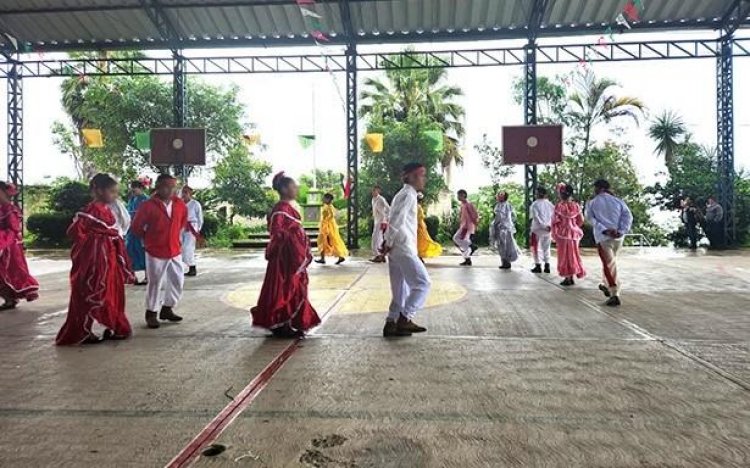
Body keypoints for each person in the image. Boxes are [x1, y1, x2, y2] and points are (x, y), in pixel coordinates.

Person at [56, 174, 134, 345]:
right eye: (112, 191)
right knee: (93, 292)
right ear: (98, 190)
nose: (115, 195)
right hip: (95, 260)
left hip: (108, 258)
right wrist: (97, 240)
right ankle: (83, 331)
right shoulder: (91, 211)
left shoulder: (106, 209)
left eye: (116, 192)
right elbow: (75, 233)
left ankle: (113, 326)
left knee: (110, 292)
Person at [251, 172, 320, 338]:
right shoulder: (281, 209)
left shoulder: (287, 208)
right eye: (293, 186)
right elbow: (277, 233)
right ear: (284, 188)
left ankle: (287, 322)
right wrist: (293, 242)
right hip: (284, 261)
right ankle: (281, 323)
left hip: (292, 259)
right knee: (284, 290)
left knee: (293, 288)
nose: (296, 188)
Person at [130, 173, 188, 329]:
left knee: (178, 280)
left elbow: (182, 223)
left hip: (174, 249)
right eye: (165, 186)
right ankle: (151, 313)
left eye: (172, 187)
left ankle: (167, 308)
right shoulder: (148, 206)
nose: (169, 190)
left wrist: (177, 238)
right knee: (155, 282)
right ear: (158, 187)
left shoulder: (180, 204)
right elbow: (136, 227)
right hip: (155, 250)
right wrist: (148, 239)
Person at [382, 162, 431, 337]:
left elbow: (394, 220)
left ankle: (391, 323)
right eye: (421, 175)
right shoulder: (408, 194)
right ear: (409, 176)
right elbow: (395, 220)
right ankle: (405, 318)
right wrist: (387, 242)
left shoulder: (403, 194)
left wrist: (388, 243)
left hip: (397, 247)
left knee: (400, 289)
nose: (423, 179)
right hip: (402, 246)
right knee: (423, 284)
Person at [586, 179, 633, 307]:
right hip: (618, 237)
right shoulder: (618, 201)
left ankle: (614, 293)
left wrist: (605, 230)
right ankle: (605, 283)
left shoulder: (592, 203)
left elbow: (590, 219)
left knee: (608, 264)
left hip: (603, 237)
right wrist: (621, 230)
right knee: (610, 263)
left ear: (599, 188)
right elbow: (628, 217)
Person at [0, 181, 39, 311]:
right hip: (5, 243)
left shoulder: (9, 209)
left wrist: (3, 241)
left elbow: (13, 228)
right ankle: (9, 298)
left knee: (10, 272)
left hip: (9, 246)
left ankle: (10, 298)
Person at [552, 183, 586, 286]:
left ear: (562, 194)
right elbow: (581, 220)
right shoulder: (576, 206)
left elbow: (555, 221)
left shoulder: (559, 206)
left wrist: (555, 231)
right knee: (573, 254)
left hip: (563, 233)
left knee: (564, 256)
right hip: (574, 233)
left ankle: (568, 277)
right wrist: (574, 226)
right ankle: (572, 275)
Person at [126, 180, 149, 285]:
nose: (133, 189)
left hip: (142, 230)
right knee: (130, 251)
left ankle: (147, 276)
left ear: (141, 188)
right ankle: (133, 276)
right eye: (132, 187)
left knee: (143, 253)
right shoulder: (131, 200)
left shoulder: (146, 200)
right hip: (131, 230)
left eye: (135, 187)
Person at [489, 191, 520, 270]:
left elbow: (499, 217)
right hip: (508, 227)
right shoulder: (508, 205)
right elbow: (513, 217)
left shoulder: (500, 206)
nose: (499, 196)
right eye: (498, 194)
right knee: (508, 244)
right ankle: (506, 261)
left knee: (502, 245)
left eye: (501, 195)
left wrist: (495, 225)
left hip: (502, 227)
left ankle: (505, 262)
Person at [315, 193, 348, 265]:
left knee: (331, 240)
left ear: (328, 199)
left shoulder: (329, 206)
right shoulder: (327, 206)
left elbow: (332, 215)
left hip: (328, 226)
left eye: (324, 198)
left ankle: (339, 256)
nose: (323, 199)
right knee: (323, 241)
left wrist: (326, 222)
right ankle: (323, 258)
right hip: (326, 225)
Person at [529, 186, 555, 274]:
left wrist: (543, 226)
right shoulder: (550, 204)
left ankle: (538, 265)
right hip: (548, 229)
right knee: (546, 248)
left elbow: (536, 217)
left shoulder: (535, 204)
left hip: (537, 229)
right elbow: (554, 216)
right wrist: (549, 226)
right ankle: (547, 265)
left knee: (536, 248)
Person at [181, 185, 204, 277]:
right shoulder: (180, 203)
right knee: (181, 248)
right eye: (183, 192)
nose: (184, 194)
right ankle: (186, 266)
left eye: (186, 192)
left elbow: (200, 218)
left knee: (188, 248)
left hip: (192, 227)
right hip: (181, 227)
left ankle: (192, 267)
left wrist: (198, 229)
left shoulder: (195, 204)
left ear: (190, 194)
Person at [453, 189, 479, 266]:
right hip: (463, 226)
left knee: (459, 239)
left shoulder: (469, 204)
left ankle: (471, 248)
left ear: (464, 195)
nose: (458, 197)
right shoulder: (462, 204)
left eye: (459, 195)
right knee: (460, 242)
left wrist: (475, 225)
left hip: (468, 227)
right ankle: (468, 257)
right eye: (457, 195)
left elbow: (475, 215)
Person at [417, 194, 442, 260]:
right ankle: (419, 256)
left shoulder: (417, 206)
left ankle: (419, 256)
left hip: (419, 226)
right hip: (419, 226)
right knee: (421, 241)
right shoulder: (418, 207)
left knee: (420, 241)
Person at [370, 185, 390, 263]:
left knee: (375, 237)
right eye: (372, 190)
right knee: (379, 238)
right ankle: (381, 256)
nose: (373, 192)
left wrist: (385, 219)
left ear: (378, 191)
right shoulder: (373, 199)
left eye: (375, 190)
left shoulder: (381, 199)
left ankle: (377, 255)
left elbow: (388, 209)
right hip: (376, 220)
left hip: (381, 220)